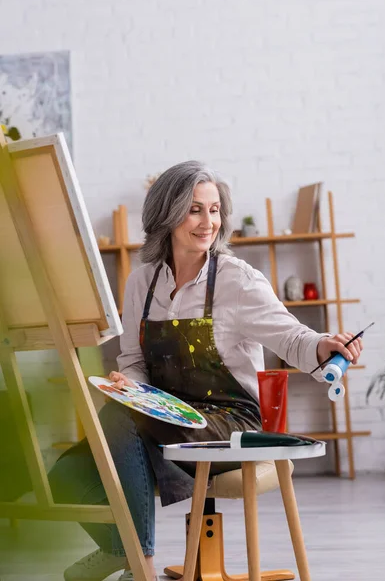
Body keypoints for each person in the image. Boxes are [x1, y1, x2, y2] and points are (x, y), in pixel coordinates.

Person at [48, 161, 363, 581]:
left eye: (214, 210)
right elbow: (135, 363)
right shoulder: (141, 282)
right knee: (66, 471)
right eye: (195, 209)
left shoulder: (238, 280)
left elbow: (291, 337)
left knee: (118, 418)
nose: (208, 222)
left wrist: (323, 345)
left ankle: (138, 565)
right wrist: (130, 387)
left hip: (230, 422)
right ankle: (117, 549)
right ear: (167, 212)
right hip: (161, 415)